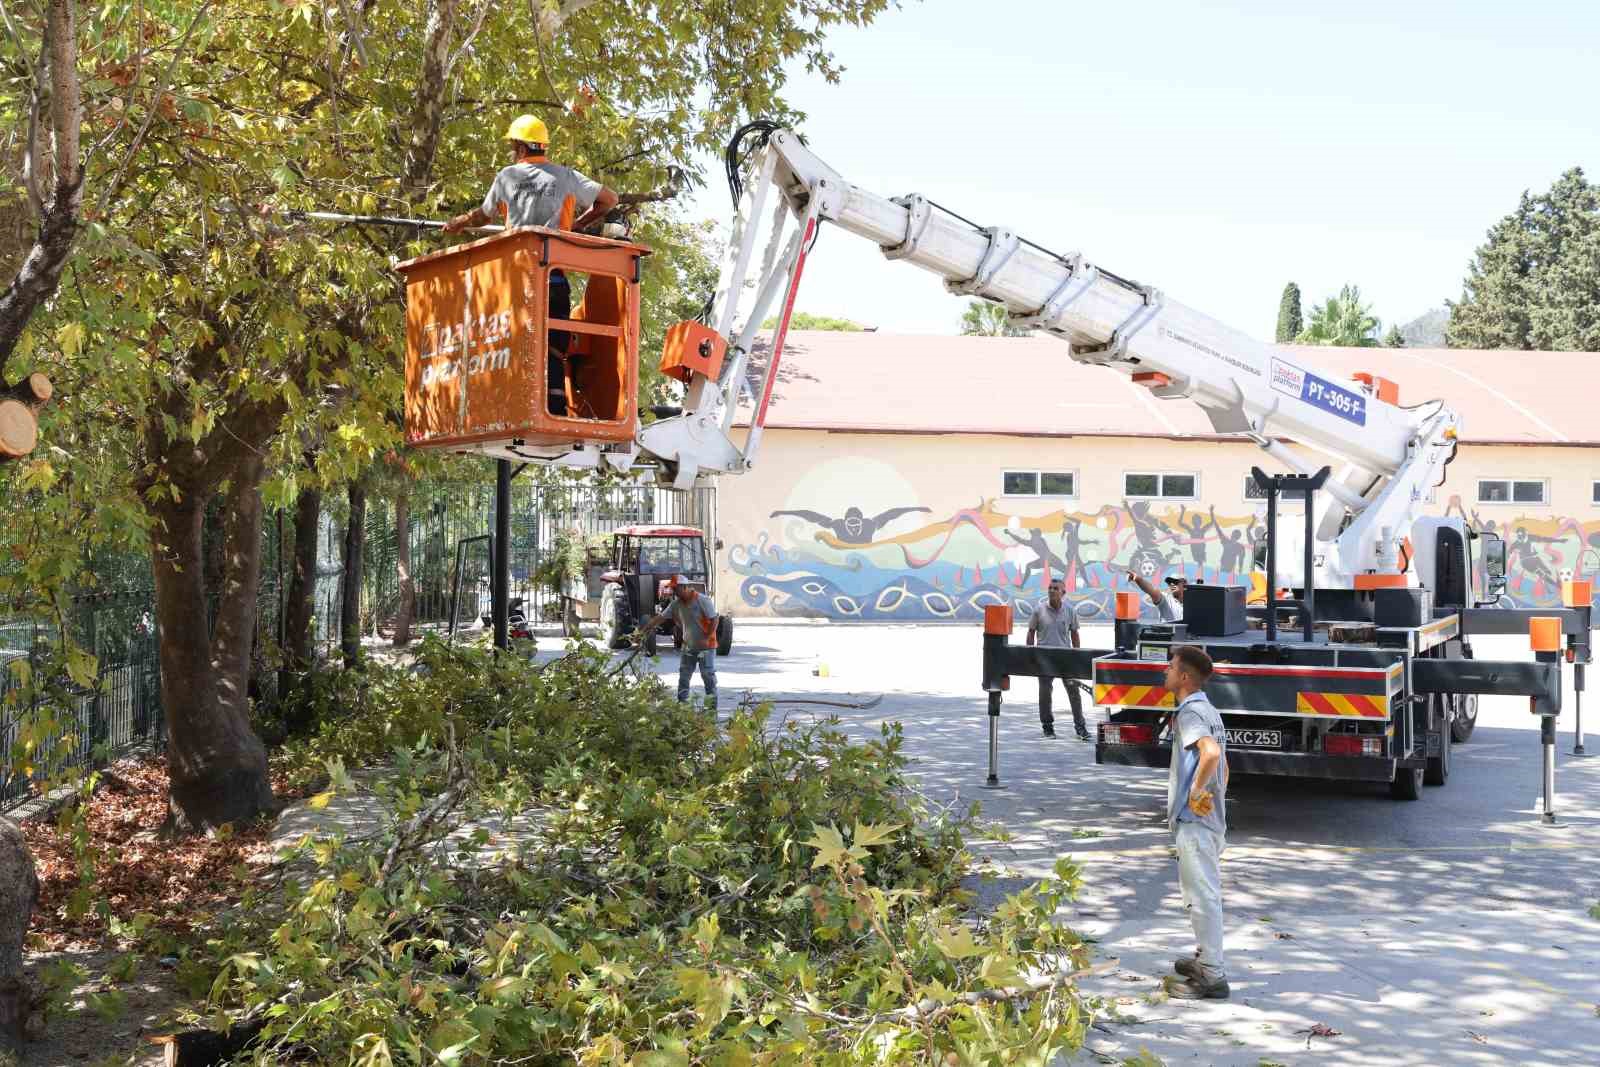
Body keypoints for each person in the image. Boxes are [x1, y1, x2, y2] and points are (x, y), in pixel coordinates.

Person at [443, 115, 620, 415]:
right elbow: (609, 199)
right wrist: (576, 225)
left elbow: (482, 217)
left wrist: (459, 223)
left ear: (519, 147)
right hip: (552, 279)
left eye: (513, 145)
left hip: (513, 281)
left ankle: (508, 404)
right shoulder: (564, 177)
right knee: (552, 342)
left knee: (511, 342)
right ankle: (550, 405)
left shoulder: (506, 177)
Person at [1162, 644, 1230, 999]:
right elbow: (1225, 765)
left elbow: (1212, 754)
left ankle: (1212, 976)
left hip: (1196, 822)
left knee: (1201, 895)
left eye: (1170, 667)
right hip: (1210, 819)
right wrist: (1214, 800)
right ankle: (1205, 958)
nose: (1165, 672)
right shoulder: (1210, 710)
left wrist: (1196, 794)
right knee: (1200, 891)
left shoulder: (1189, 713)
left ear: (1184, 677)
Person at [1027, 578, 1088, 741]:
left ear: (1063, 593)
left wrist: (1077, 655)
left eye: (1055, 588)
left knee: (1074, 692)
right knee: (1045, 694)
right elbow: (1031, 631)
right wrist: (1030, 653)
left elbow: (1074, 633)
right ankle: (1047, 727)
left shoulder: (1070, 611)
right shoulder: (1038, 610)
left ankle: (1080, 727)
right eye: (1050, 588)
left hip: (1065, 658)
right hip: (1044, 658)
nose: (1052, 590)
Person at [644, 575, 718, 707]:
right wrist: (643, 630)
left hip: (706, 647)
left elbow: (714, 619)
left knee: (708, 677)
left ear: (684, 587)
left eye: (675, 589)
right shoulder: (676, 604)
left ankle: (711, 710)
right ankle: (681, 706)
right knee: (684, 677)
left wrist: (706, 638)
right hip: (688, 647)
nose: (674, 592)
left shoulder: (702, 600)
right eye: (673, 589)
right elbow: (660, 617)